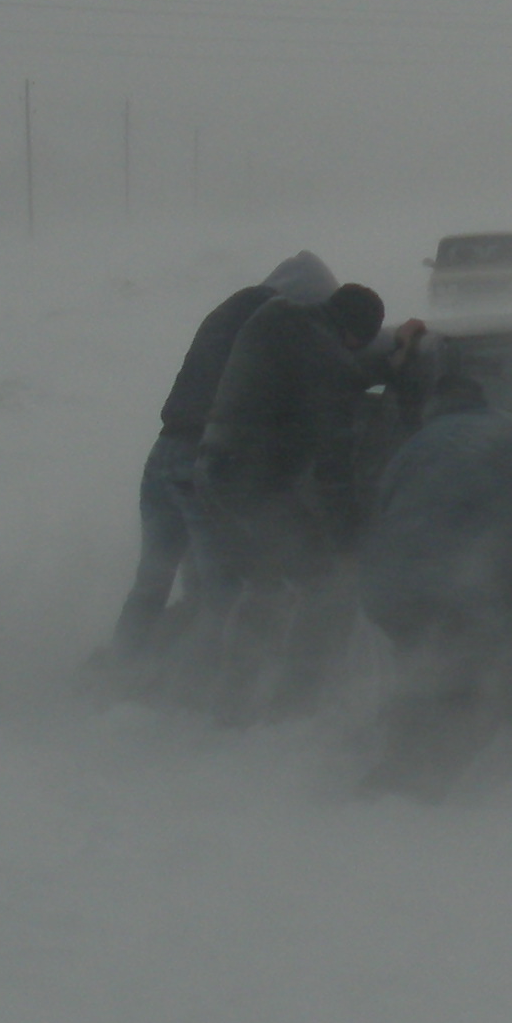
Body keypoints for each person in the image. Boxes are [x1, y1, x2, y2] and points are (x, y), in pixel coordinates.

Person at [95, 251, 333, 690]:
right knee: (220, 590)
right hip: (202, 456)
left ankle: (121, 672)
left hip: (164, 451)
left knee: (152, 581)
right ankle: (198, 687)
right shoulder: (273, 323)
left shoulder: (227, 311)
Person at [191, 279, 398, 722]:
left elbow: (339, 367)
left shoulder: (281, 319)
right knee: (326, 582)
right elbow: (333, 463)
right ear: (354, 335)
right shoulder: (326, 364)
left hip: (215, 474)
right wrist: (347, 539)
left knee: (265, 586)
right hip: (254, 482)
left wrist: (380, 366)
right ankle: (296, 705)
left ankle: (230, 707)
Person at [356, 369, 512, 788]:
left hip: (389, 585)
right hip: (461, 583)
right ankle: (427, 780)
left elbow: (380, 509)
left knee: (425, 668)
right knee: (473, 677)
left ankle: (395, 770)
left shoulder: (412, 447)